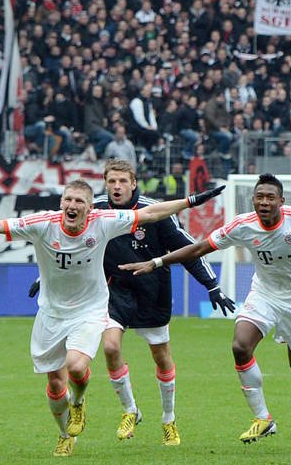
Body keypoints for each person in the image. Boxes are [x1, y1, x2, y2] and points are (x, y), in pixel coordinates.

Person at [0, 180, 215, 456]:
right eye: (68, 200)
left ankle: (78, 402)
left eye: (79, 201)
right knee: (54, 385)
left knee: (76, 367)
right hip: (51, 313)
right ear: (61, 203)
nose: (72, 205)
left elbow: (151, 213)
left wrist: (190, 201)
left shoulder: (104, 222)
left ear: (90, 207)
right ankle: (65, 435)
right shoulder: (43, 224)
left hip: (90, 310)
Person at [121, 175, 291, 445]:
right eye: (259, 197)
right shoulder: (242, 225)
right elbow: (198, 249)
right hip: (264, 294)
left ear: (282, 200)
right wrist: (156, 262)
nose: (264, 202)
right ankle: (262, 417)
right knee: (240, 345)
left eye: (270, 197)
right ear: (253, 200)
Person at [94, 159, 237, 447]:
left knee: (161, 357)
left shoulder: (155, 211)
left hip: (152, 290)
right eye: (112, 181)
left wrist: (212, 284)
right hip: (115, 290)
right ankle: (130, 411)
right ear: (106, 183)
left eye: (123, 181)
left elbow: (188, 248)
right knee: (110, 347)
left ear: (134, 183)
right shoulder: (95, 210)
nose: (117, 187)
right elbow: (67, 243)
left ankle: (168, 419)